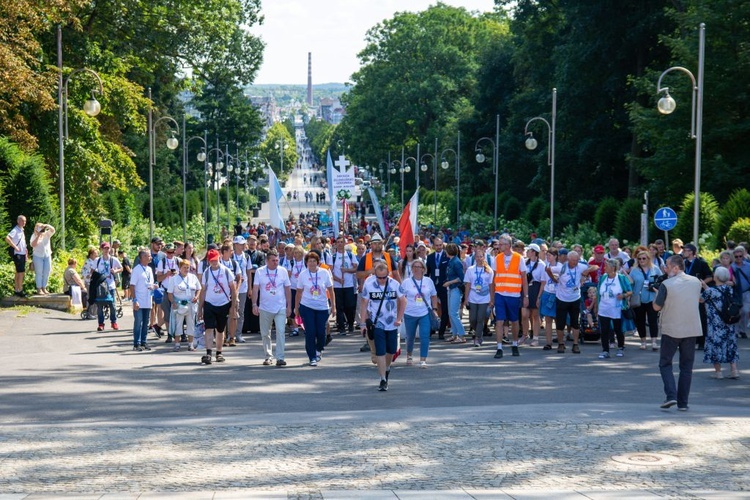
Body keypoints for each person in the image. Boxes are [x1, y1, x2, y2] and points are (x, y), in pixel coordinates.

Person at [653, 255, 702, 411]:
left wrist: (656, 295)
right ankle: (683, 403)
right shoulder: (696, 282)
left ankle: (671, 395)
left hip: (672, 328)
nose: (665, 268)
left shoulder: (666, 284)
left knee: (665, 363)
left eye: (667, 266)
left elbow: (656, 307)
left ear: (675, 267)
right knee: (686, 367)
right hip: (691, 328)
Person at [360, 261, 406, 391]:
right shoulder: (369, 285)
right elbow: (364, 303)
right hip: (377, 323)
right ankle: (383, 379)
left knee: (391, 350)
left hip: (392, 323)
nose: (381, 280)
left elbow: (403, 300)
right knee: (380, 351)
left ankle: (387, 368)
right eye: (379, 277)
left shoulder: (395, 284)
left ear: (388, 274)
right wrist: (363, 323)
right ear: (375, 275)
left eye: (384, 277)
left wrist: (399, 318)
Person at [550, 250, 597, 354]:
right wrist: (553, 277)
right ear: (568, 259)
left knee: (575, 322)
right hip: (562, 298)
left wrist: (587, 270)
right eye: (573, 261)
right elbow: (548, 269)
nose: (575, 263)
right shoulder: (562, 267)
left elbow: (595, 267)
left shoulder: (580, 266)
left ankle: (575, 344)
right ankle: (561, 344)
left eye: (576, 260)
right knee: (560, 323)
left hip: (575, 298)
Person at [294, 250, 335, 366]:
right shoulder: (303, 274)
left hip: (322, 306)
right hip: (307, 306)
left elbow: (331, 291)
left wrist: (334, 306)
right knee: (310, 332)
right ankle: (311, 356)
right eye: (309, 261)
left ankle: (319, 349)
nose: (312, 263)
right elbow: (298, 292)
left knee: (321, 332)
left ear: (318, 262)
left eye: (314, 261)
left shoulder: (324, 273)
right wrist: (296, 308)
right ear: (306, 263)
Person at [252, 249, 292, 366]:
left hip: (280, 306)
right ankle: (268, 356)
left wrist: (289, 306)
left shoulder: (283, 271)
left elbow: (287, 289)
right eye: (273, 260)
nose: (276, 262)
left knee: (281, 331)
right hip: (265, 307)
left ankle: (280, 357)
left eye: (277, 260)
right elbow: (255, 289)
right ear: (267, 261)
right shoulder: (260, 272)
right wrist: (254, 304)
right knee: (265, 333)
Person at [197, 249, 237, 365]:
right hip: (209, 303)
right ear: (209, 261)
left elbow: (233, 289)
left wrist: (233, 307)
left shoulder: (226, 271)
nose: (214, 262)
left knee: (220, 329)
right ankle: (208, 352)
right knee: (209, 328)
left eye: (215, 260)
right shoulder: (207, 273)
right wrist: (200, 308)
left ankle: (219, 352)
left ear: (219, 258)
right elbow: (203, 291)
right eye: (211, 260)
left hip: (223, 303)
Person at [492, 235, 529, 358]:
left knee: (514, 321)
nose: (499, 246)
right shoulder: (497, 258)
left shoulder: (519, 258)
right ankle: (499, 348)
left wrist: (526, 296)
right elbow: (493, 278)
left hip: (514, 294)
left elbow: (524, 278)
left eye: (501, 244)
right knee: (499, 321)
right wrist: (492, 297)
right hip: (500, 294)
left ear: (508, 245)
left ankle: (514, 344)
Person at [700, 267, 740, 379]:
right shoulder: (729, 289)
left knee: (715, 345)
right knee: (730, 344)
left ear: (715, 277)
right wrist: (705, 286)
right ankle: (734, 370)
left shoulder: (710, 291)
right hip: (729, 321)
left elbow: (702, 299)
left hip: (715, 324)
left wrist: (702, 286)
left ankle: (718, 372)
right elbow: (717, 293)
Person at [400, 259, 437, 367]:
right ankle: (409, 354)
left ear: (423, 269)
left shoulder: (428, 281)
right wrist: (400, 313)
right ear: (412, 269)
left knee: (425, 335)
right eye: (414, 267)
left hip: (424, 312)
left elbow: (434, 295)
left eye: (419, 267)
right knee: (410, 336)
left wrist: (434, 309)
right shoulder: (406, 282)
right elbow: (401, 298)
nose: (417, 269)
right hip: (409, 313)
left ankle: (423, 359)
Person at [596, 259, 633, 359]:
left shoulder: (621, 278)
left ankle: (620, 347)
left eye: (606, 266)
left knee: (618, 329)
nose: (604, 268)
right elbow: (597, 293)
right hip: (604, 308)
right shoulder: (603, 277)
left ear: (613, 268)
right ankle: (605, 350)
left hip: (616, 308)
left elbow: (630, 291)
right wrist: (596, 308)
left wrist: (623, 295)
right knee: (604, 330)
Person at [682, 243, 713, 349]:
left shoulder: (701, 263)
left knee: (700, 316)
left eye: (685, 250)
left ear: (691, 252)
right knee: (686, 317)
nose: (683, 252)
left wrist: (700, 283)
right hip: (685, 293)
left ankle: (701, 341)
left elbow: (710, 277)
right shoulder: (682, 264)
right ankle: (688, 340)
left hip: (698, 293)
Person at [167, 258, 201, 352]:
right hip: (179, 305)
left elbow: (199, 288)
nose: (186, 269)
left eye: (188, 267)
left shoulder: (193, 277)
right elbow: (169, 293)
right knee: (178, 324)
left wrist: (197, 297)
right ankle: (177, 344)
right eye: (184, 267)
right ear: (179, 268)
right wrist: (173, 302)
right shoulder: (174, 279)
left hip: (191, 304)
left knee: (191, 324)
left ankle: (190, 345)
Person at [631, 251, 662, 350]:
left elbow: (661, 280)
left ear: (648, 259)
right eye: (639, 259)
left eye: (644, 258)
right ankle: (643, 341)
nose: (641, 261)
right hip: (639, 298)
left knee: (653, 320)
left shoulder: (655, 269)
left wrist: (655, 286)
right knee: (640, 321)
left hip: (652, 297)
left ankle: (654, 342)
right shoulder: (634, 270)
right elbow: (630, 284)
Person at [463, 247, 494, 347]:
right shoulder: (470, 270)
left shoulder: (489, 270)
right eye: (477, 256)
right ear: (474, 257)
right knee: (472, 319)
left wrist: (492, 299)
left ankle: (477, 337)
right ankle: (478, 332)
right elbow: (467, 285)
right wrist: (466, 299)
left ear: (484, 257)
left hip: (484, 297)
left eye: (481, 256)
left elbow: (491, 285)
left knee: (480, 318)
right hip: (473, 296)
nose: (479, 258)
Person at [330, 235, 359, 335]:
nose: (340, 244)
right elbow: (330, 272)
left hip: (349, 285)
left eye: (342, 242)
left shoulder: (350, 255)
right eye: (338, 242)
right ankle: (341, 327)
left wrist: (346, 270)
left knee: (350, 306)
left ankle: (350, 324)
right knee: (339, 307)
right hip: (338, 286)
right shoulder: (333, 257)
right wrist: (338, 279)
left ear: (345, 243)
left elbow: (355, 268)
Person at [130, 249, 157, 351]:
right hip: (139, 300)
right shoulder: (136, 270)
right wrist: (135, 300)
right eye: (148, 256)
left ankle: (144, 342)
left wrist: (154, 286)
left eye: (150, 256)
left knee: (146, 322)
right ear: (142, 258)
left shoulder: (149, 269)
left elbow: (149, 283)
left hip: (148, 299)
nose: (150, 257)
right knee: (138, 322)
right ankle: (136, 344)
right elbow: (132, 286)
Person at [93, 241, 123, 332]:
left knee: (112, 305)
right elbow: (93, 271)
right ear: (101, 249)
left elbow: (121, 268)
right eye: (104, 248)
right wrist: (96, 274)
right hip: (100, 286)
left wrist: (115, 271)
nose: (106, 250)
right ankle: (101, 324)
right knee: (100, 305)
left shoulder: (113, 259)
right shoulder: (97, 260)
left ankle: (113, 322)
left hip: (110, 285)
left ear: (110, 249)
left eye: (107, 248)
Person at [521, 243, 545, 346]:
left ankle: (535, 337)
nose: (526, 252)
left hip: (536, 288)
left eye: (529, 251)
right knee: (524, 314)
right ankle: (524, 334)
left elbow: (543, 282)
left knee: (535, 315)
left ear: (534, 252)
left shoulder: (541, 265)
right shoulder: (524, 263)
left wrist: (539, 296)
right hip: (526, 288)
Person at [426, 237, 450, 339]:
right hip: (433, 285)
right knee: (430, 307)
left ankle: (442, 331)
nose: (438, 247)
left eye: (440, 245)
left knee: (445, 309)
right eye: (436, 245)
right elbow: (428, 272)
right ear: (433, 246)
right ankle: (431, 328)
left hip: (444, 286)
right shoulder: (430, 257)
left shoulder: (447, 256)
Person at [443, 243, 466, 343]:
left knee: (453, 313)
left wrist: (449, 282)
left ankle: (462, 335)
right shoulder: (451, 261)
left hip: (456, 289)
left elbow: (461, 278)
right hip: (451, 289)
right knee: (451, 313)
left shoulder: (456, 262)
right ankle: (454, 334)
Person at [539, 248, 561, 350]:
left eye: (550, 255)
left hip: (558, 295)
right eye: (547, 255)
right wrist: (539, 296)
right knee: (548, 319)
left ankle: (560, 341)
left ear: (556, 256)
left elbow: (560, 281)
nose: (548, 257)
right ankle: (548, 342)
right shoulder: (545, 266)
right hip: (547, 293)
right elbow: (543, 282)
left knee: (558, 319)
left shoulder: (561, 267)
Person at [6, 215, 28, 297]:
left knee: (18, 272)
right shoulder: (15, 230)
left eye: (25, 221)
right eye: (22, 221)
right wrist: (15, 247)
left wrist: (26, 253)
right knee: (21, 272)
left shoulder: (22, 230)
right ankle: (20, 290)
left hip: (22, 253)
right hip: (18, 254)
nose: (24, 222)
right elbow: (7, 238)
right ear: (18, 221)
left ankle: (17, 289)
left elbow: (23, 242)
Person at [731, 245, 750, 339]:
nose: (738, 258)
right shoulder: (732, 267)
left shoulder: (748, 266)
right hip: (735, 292)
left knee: (745, 311)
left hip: (746, 292)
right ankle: (736, 331)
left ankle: (743, 330)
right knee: (737, 311)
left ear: (743, 256)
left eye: (740, 256)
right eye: (736, 256)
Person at [30, 222, 55, 294]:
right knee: (39, 272)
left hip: (47, 255)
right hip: (38, 256)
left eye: (42, 227)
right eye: (39, 227)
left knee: (47, 272)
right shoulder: (34, 236)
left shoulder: (47, 234)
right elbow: (33, 245)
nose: (41, 229)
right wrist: (38, 236)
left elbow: (53, 230)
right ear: (36, 228)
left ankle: (44, 287)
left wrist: (47, 225)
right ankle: (39, 288)